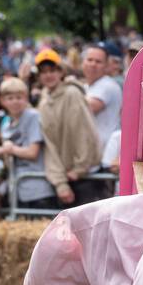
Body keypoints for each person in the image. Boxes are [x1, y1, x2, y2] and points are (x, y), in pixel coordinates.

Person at [35, 48, 106, 205]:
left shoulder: (72, 94)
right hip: (65, 177)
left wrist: (80, 168)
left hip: (85, 175)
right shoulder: (43, 102)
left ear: (61, 72)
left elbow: (84, 132)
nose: (48, 75)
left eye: (52, 70)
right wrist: (60, 182)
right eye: (43, 71)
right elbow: (49, 145)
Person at [0, 76, 57, 212]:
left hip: (38, 188)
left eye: (19, 97)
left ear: (26, 98)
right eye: (10, 98)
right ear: (2, 101)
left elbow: (32, 152)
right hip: (17, 188)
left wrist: (8, 149)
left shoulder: (33, 116)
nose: (15, 102)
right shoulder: (6, 123)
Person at [82, 42, 123, 150]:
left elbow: (85, 109)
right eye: (89, 60)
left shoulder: (107, 85)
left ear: (106, 66)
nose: (93, 64)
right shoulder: (86, 87)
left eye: (98, 61)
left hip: (105, 155)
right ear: (83, 62)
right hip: (93, 152)